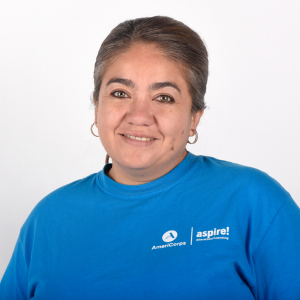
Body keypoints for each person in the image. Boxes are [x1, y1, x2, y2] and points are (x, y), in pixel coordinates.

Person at [1, 16, 300, 300]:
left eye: (164, 97)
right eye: (120, 93)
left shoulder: (254, 202)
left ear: (194, 116)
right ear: (96, 106)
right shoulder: (48, 219)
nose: (139, 116)